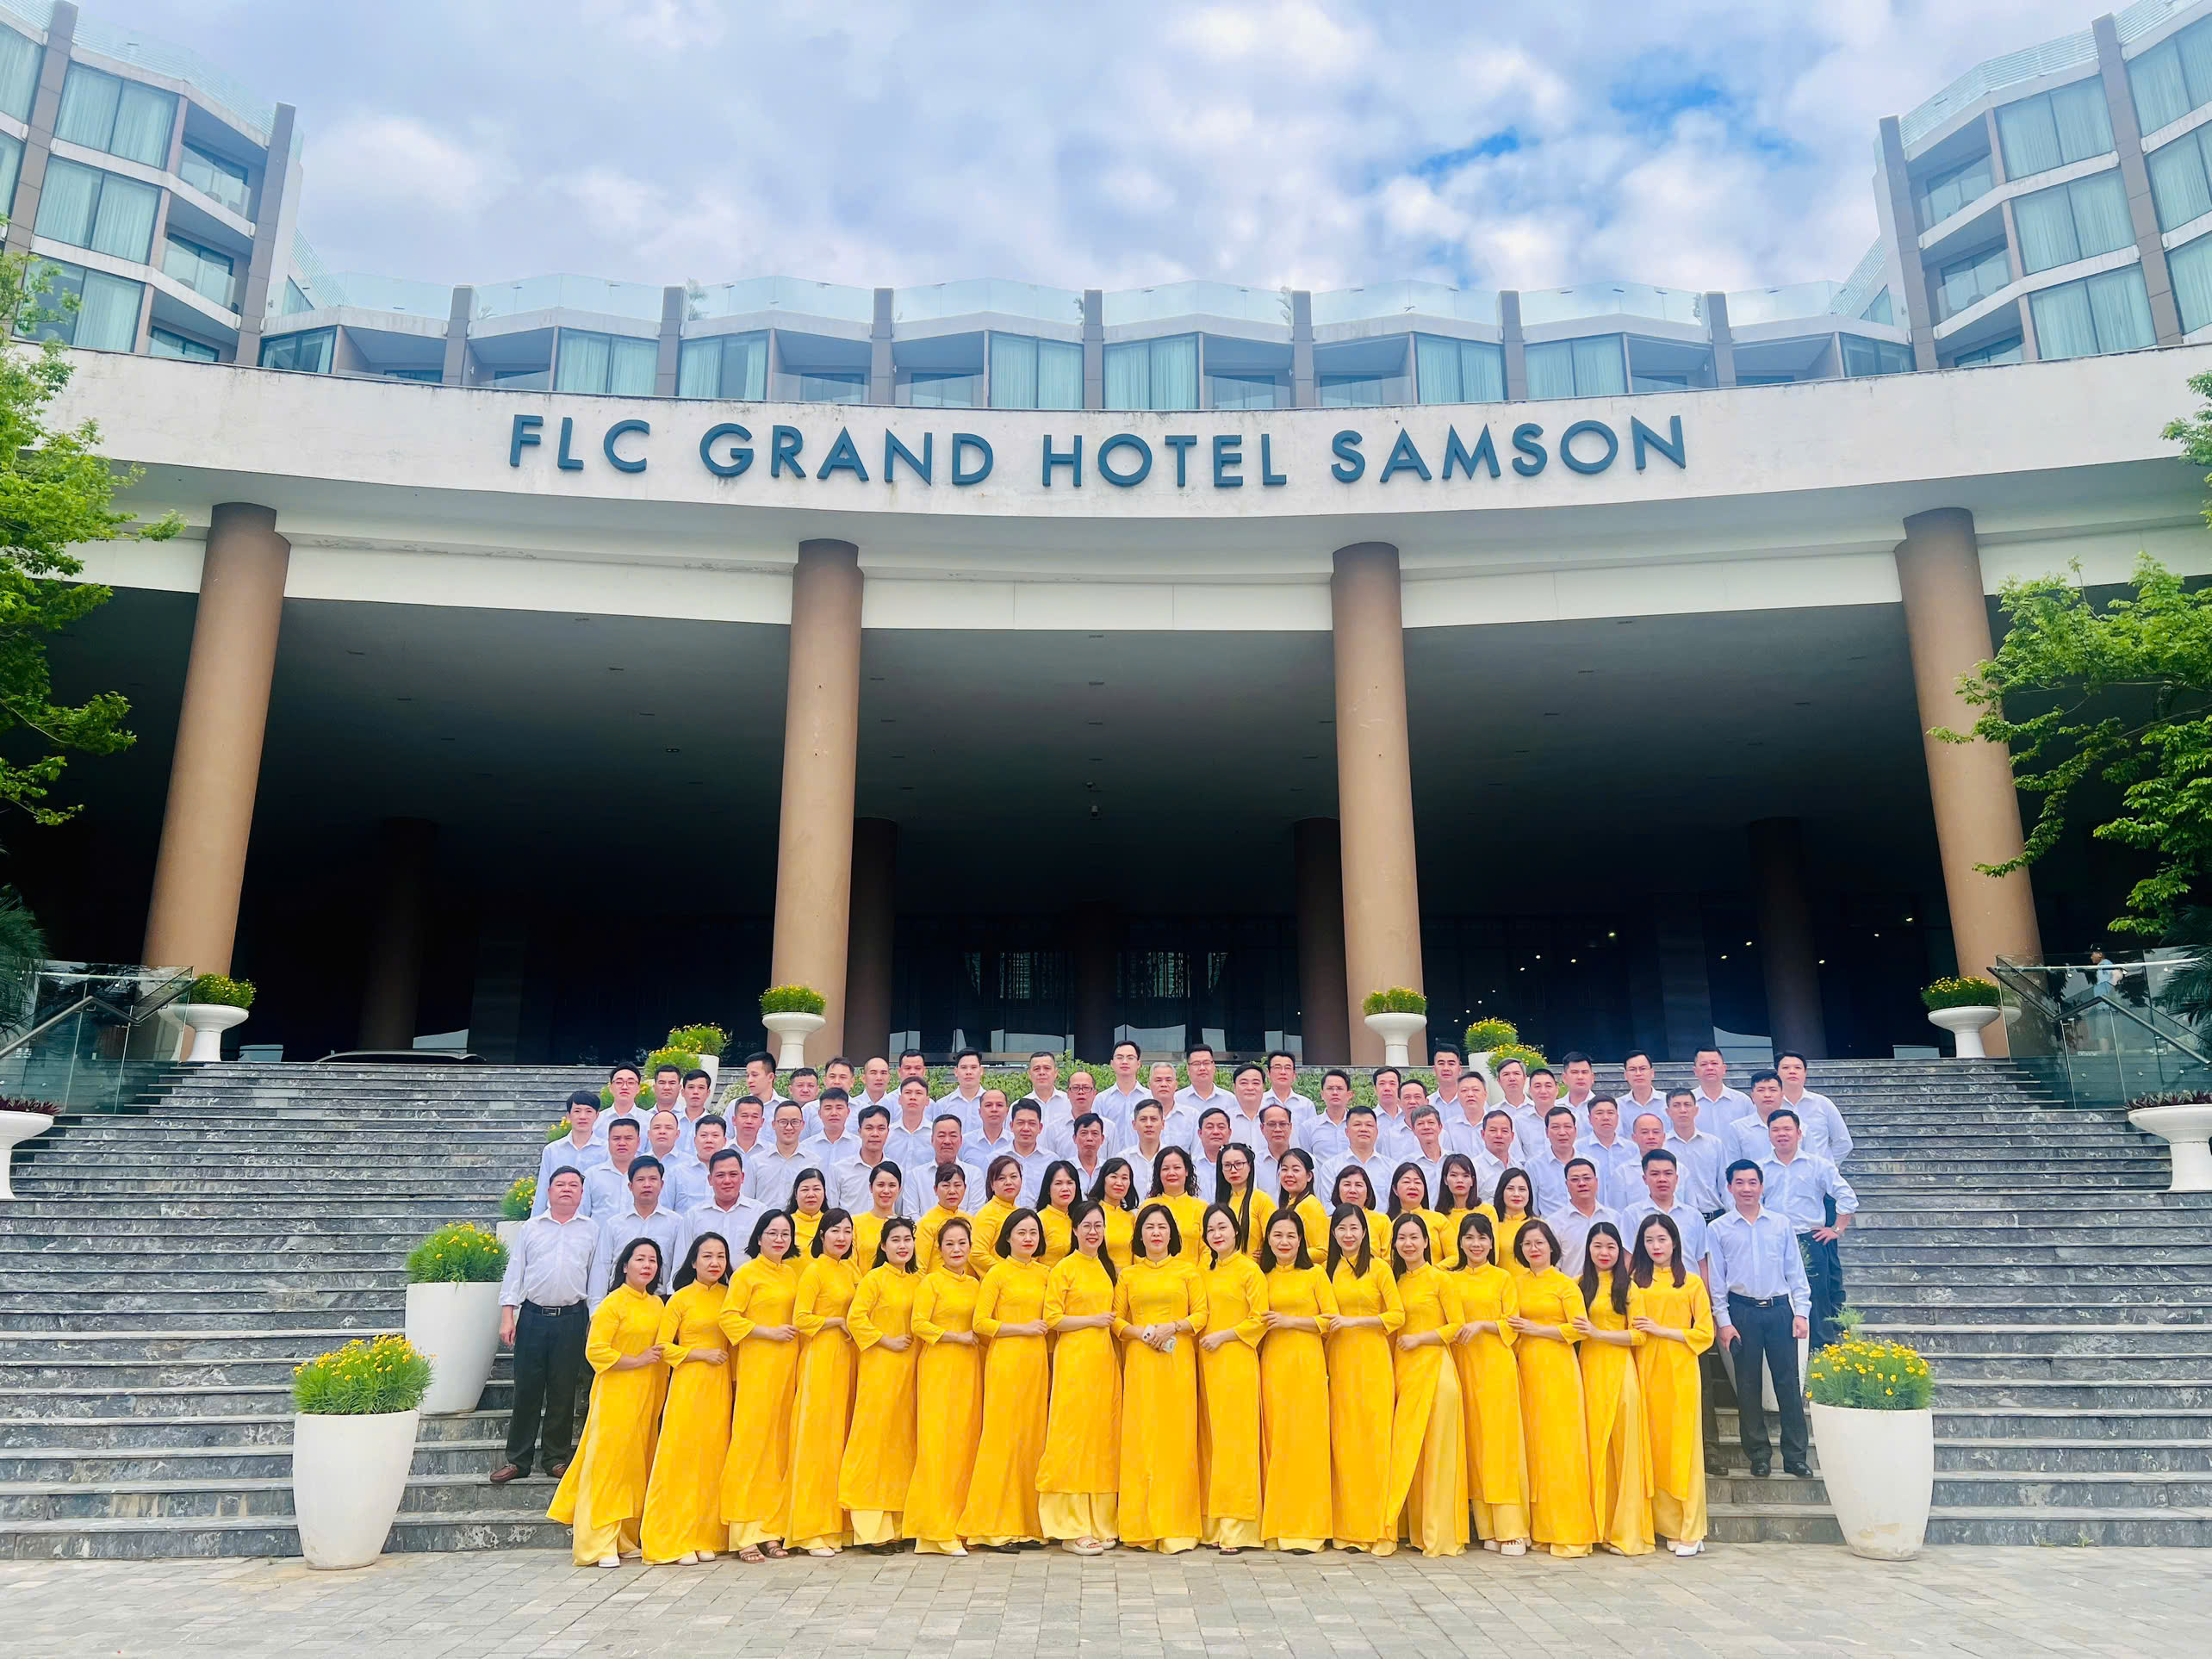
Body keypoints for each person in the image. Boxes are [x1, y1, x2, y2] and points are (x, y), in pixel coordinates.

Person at [548, 1236, 666, 1567]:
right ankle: (597, 1544)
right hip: (616, 1394)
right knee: (608, 1466)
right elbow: (596, 1351)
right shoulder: (612, 1304)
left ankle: (624, 1537)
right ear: (625, 1265)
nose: (647, 1266)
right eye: (640, 1259)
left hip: (646, 1395)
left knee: (634, 1466)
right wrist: (637, 1360)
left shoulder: (656, 1305)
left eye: (652, 1260)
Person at [1707, 1159, 1812, 1479]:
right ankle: (1758, 1455)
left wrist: (1801, 1312)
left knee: (1788, 1383)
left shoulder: (1780, 1224)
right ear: (1729, 1187)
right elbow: (1716, 1280)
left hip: (1779, 1310)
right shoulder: (1718, 1229)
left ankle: (1795, 1456)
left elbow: (1795, 1271)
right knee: (1748, 1385)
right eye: (1739, 1183)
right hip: (1742, 1312)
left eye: (1752, 1182)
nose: (1746, 1189)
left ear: (1761, 1186)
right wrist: (1724, 1321)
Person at [493, 1166, 598, 1485]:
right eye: (560, 1184)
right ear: (549, 1192)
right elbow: (515, 1272)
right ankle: (518, 1460)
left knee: (563, 1391)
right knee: (527, 1389)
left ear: (581, 1193)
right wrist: (508, 1316)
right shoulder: (531, 1228)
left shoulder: (592, 1230)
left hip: (572, 1319)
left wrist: (594, 1322)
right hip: (533, 1318)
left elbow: (596, 1278)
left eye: (573, 1185)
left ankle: (555, 1458)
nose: (567, 1189)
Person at [1113, 1202, 1208, 1553]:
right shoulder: (1128, 1275)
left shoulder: (1188, 1272)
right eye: (1149, 1227)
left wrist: (1174, 1326)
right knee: (1141, 1437)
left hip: (1178, 1358)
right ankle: (1140, 1526)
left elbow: (1201, 1315)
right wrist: (1140, 1332)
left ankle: (1177, 1525)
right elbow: (1115, 1320)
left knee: (1176, 1436)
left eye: (1162, 1227)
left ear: (1172, 1234)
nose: (1156, 1233)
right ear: (1139, 1235)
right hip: (1141, 1360)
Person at [639, 1231, 734, 1564]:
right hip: (688, 1384)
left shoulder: (730, 1297)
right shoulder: (679, 1299)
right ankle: (673, 1537)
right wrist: (700, 1354)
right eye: (707, 1256)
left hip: (720, 1386)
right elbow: (663, 1347)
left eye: (721, 1256)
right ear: (693, 1261)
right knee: (680, 1458)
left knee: (712, 1459)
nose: (714, 1262)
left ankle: (705, 1535)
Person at [959, 1209, 1052, 1548]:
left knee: (1031, 1439)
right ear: (1007, 1237)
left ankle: (1027, 1524)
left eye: (1033, 1233)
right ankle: (992, 1526)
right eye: (1021, 1233)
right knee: (1003, 1438)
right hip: (1006, 1362)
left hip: (1036, 1363)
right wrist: (1021, 1328)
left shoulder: (1046, 1274)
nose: (1028, 1239)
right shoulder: (997, 1274)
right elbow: (981, 1323)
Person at [1507, 1219, 1597, 1557]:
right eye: (1527, 1244)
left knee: (1561, 1446)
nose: (1534, 1249)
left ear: (1551, 1247)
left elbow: (1578, 1329)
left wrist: (1536, 1329)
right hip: (1526, 1367)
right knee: (1534, 1447)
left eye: (1539, 1243)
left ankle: (1569, 1529)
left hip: (1558, 1368)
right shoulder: (1515, 1283)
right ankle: (1540, 1528)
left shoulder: (1565, 1285)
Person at [1630, 1214, 1715, 1556]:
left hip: (1680, 1369)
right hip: (1645, 1367)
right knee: (1653, 1445)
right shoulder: (1635, 1282)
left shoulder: (1691, 1283)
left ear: (1675, 1242)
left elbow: (1705, 1334)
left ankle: (1691, 1528)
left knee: (1683, 1447)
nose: (1656, 1246)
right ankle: (1665, 1526)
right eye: (1649, 1240)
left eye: (1662, 1239)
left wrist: (1661, 1330)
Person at [719, 1210, 802, 1561]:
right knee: (751, 1443)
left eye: (785, 1234)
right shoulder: (747, 1274)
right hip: (757, 1366)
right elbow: (728, 1318)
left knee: (778, 1447)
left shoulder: (792, 1274)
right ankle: (743, 1532)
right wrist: (767, 1331)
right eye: (772, 1233)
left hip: (788, 1368)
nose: (779, 1239)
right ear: (759, 1237)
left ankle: (770, 1528)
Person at [1384, 1212, 1469, 1558]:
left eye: (1414, 1237)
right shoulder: (1394, 1281)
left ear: (1426, 1242)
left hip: (1436, 1370)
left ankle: (1440, 1533)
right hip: (1404, 1371)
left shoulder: (1440, 1279)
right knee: (1411, 1453)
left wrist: (1422, 1339)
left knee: (1438, 1452)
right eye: (1401, 1238)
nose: (1408, 1244)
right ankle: (1417, 1530)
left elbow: (1457, 1326)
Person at [1039, 1201, 1121, 1555]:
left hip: (1103, 1359)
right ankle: (1070, 1527)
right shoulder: (1064, 1268)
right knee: (1071, 1435)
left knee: (1100, 1435)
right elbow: (1053, 1319)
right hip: (1074, 1358)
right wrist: (1092, 1320)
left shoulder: (1106, 1267)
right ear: (1074, 1230)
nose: (1092, 1232)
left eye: (1098, 1226)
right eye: (1086, 1225)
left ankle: (1100, 1521)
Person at [1449, 1212, 1530, 1555]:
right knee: (1475, 1446)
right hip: (1462, 1366)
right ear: (1460, 1242)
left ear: (1491, 1243)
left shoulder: (1502, 1278)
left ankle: (1511, 1527)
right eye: (1469, 1237)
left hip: (1496, 1366)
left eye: (1482, 1238)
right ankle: (1487, 1528)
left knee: (1500, 1444)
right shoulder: (1450, 1279)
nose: (1476, 1244)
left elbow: (1514, 1323)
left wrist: (1482, 1325)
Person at [1326, 1201, 1404, 1553]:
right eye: (1341, 1229)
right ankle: (1348, 1529)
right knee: (1345, 1441)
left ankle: (1379, 1529)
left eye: (1354, 1228)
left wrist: (1355, 1322)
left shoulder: (1379, 1269)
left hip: (1373, 1359)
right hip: (1339, 1359)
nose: (1348, 1234)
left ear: (1364, 1232)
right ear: (1333, 1234)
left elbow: (1397, 1315)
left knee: (1375, 1438)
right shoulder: (1329, 1270)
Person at [840, 1216, 922, 1550]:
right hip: (880, 1368)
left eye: (908, 1240)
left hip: (911, 1371)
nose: (903, 1246)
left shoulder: (920, 1281)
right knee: (873, 1441)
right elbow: (855, 1318)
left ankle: (899, 1525)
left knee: (902, 1443)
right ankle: (870, 1529)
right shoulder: (873, 1279)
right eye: (896, 1240)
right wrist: (885, 1340)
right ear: (883, 1246)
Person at [1257, 1211, 1335, 1553]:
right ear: (1268, 1240)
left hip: (1307, 1363)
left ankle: (1309, 1530)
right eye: (1277, 1235)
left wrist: (1290, 1321)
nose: (1284, 1242)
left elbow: (1330, 1320)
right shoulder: (1262, 1276)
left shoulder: (1315, 1274)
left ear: (1301, 1240)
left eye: (1291, 1235)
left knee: (1307, 1440)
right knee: (1278, 1440)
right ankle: (1278, 1527)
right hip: (1274, 1363)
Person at [1574, 1221, 1653, 1556]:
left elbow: (1639, 1335)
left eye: (1611, 1247)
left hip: (1621, 1371)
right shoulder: (1579, 1286)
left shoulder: (1629, 1287)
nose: (1604, 1253)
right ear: (1588, 1250)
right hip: (1589, 1372)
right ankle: (1598, 1527)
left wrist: (1598, 1334)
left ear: (1620, 1252)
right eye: (1598, 1246)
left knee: (1625, 1447)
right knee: (1595, 1447)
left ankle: (1626, 1531)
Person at [906, 1217, 985, 1556]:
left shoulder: (976, 1285)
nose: (956, 1249)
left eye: (962, 1243)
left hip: (969, 1369)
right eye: (949, 1244)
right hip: (939, 1366)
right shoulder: (932, 1282)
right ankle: (935, 1529)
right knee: (938, 1444)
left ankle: (960, 1523)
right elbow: (919, 1324)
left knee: (964, 1443)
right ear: (939, 1249)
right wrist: (955, 1337)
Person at [786, 1209, 860, 1556]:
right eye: (835, 1231)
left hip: (847, 1358)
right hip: (821, 1357)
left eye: (847, 1231)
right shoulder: (814, 1271)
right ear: (821, 1235)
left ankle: (837, 1525)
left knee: (839, 1439)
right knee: (817, 1439)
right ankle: (810, 1530)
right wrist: (835, 1321)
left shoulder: (851, 1270)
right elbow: (801, 1318)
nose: (841, 1237)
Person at [1196, 1203, 1266, 1553]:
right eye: (1211, 1230)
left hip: (1237, 1360)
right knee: (1212, 1442)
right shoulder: (1202, 1272)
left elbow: (1260, 1318)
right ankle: (1213, 1525)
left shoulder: (1250, 1270)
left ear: (1236, 1231)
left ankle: (1239, 1528)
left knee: (1236, 1442)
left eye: (1223, 1227)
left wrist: (1224, 1336)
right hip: (1206, 1363)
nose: (1217, 1234)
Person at [1759, 1109, 1859, 1349]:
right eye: (1776, 1130)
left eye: (1787, 1129)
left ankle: (1821, 1351)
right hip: (1773, 1241)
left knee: (1817, 1296)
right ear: (1769, 1135)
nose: (1782, 1134)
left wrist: (1836, 1229)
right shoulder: (1760, 1168)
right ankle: (1786, 1350)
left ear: (1799, 1133)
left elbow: (1847, 1196)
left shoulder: (1818, 1165)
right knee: (1778, 1296)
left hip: (1809, 1240)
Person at [587, 1157, 684, 1309]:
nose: (647, 1185)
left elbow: (678, 1267)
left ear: (662, 1184)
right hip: (618, 1303)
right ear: (630, 1186)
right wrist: (596, 1309)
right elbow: (601, 1268)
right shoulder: (614, 1224)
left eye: (653, 1179)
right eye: (640, 1180)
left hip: (659, 1304)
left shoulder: (676, 1223)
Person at [1774, 1053, 1854, 1164]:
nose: (1792, 1071)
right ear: (1777, 1073)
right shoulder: (1770, 1105)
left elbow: (1844, 1142)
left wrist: (1826, 1167)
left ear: (1805, 1073)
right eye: (1786, 1068)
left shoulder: (1823, 1104)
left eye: (1797, 1068)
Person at [535, 1094, 607, 1215]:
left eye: (589, 1111)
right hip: (557, 1217)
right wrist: (535, 1220)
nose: (583, 1116)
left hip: (593, 1217)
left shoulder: (607, 1150)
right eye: (577, 1111)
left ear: (597, 1116)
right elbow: (543, 1188)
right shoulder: (552, 1150)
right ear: (568, 1116)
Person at [1663, 1088, 1729, 1218]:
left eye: (1687, 1105)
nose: (1683, 1110)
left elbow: (1725, 1183)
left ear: (1696, 1110)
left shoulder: (1714, 1144)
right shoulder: (1663, 1146)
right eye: (1676, 1105)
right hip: (1676, 1217)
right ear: (1668, 1112)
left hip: (1714, 1215)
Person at [1550, 1159, 1621, 1277]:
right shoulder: (1554, 1222)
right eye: (1575, 1179)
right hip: (1572, 1287)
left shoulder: (1614, 1218)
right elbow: (1554, 1266)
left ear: (1596, 1182)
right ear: (1566, 1185)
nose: (1582, 1183)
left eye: (1587, 1178)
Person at [835, 1105, 905, 1215]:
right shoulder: (840, 1169)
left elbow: (900, 1211)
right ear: (859, 1131)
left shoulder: (898, 1171)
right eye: (869, 1128)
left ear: (888, 1132)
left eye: (881, 1129)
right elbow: (833, 1211)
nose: (875, 1134)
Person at [1578, 1097, 1642, 1213]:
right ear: (1590, 1119)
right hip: (1592, 1211)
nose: (1606, 1117)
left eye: (1610, 1113)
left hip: (1625, 1210)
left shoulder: (1632, 1149)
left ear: (1617, 1117)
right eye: (1599, 1113)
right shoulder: (1579, 1148)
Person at [1213, 1141, 1275, 1259]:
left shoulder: (1261, 1199)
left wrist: (1267, 1254)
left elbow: (1274, 1236)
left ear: (1250, 1166)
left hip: (1253, 1267)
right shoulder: (1221, 1202)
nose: (1233, 1170)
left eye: (1239, 1164)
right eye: (1227, 1165)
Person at [749, 1101, 814, 1212]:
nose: (789, 1127)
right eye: (783, 1122)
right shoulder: (756, 1161)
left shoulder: (813, 1163)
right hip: (764, 1221)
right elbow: (748, 1200)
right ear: (774, 1125)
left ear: (803, 1125)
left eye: (795, 1122)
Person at [1150, 1145, 1207, 1257]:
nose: (1171, 1173)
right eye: (1165, 1169)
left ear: (1186, 1171)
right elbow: (1138, 1247)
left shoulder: (1202, 1208)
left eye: (1177, 1168)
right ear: (1159, 1173)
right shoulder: (1148, 1206)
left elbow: (1208, 1249)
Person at [1528, 1106, 1584, 1218]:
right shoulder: (1534, 1166)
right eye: (1555, 1127)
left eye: (1567, 1127)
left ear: (1575, 1131)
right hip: (1549, 1227)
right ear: (1547, 1132)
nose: (1562, 1133)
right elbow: (1532, 1209)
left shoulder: (1591, 1164)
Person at [1275, 1147, 1329, 1261]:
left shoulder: (1310, 1205)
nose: (1289, 1174)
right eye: (1284, 1169)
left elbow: (1323, 1251)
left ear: (1309, 1176)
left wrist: (1290, 1254)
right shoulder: (1289, 1204)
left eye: (1295, 1170)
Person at [582, 1118, 643, 1220]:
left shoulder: (648, 1176)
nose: (622, 1143)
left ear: (638, 1142)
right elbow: (582, 1214)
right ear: (608, 1141)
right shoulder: (592, 1175)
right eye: (616, 1138)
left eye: (628, 1138)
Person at [916, 1163, 972, 1271]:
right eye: (946, 1186)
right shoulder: (926, 1223)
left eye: (957, 1185)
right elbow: (919, 1268)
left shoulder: (971, 1221)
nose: (952, 1191)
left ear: (965, 1188)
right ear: (935, 1189)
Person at [850, 1161, 907, 1267]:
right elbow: (850, 1264)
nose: (886, 1191)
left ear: (899, 1189)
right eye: (880, 1185)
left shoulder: (905, 1226)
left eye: (892, 1185)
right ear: (871, 1188)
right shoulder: (855, 1223)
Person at [971, 1153, 1026, 1261]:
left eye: (1013, 1177)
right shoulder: (987, 1213)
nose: (1008, 1182)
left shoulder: (1021, 1213)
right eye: (1001, 1178)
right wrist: (1003, 1269)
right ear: (992, 1185)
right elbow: (976, 1254)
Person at [1689, 1047, 1751, 1140]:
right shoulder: (1686, 1103)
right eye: (1704, 1064)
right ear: (1695, 1071)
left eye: (1714, 1063)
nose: (1709, 1068)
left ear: (1724, 1068)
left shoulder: (1742, 1101)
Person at [1089, 1156, 1139, 1269]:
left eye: (1124, 1178)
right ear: (1103, 1180)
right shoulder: (1091, 1213)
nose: (1119, 1183)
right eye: (1114, 1177)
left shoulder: (1132, 1217)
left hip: (1127, 1277)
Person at [1435, 1153, 1483, 1267]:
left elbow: (1492, 1254)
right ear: (1445, 1180)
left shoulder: (1486, 1211)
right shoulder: (1439, 1216)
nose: (1460, 1180)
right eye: (1454, 1175)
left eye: (1465, 1176)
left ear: (1472, 1181)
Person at [1298, 1068, 1355, 1162]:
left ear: (1349, 1095)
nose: (1335, 1093)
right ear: (1322, 1094)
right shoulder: (1308, 1127)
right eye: (1330, 1088)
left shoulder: (1359, 1125)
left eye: (1340, 1089)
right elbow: (1305, 1162)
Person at [885, 1077, 939, 1172]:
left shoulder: (936, 1134)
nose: (913, 1097)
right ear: (899, 1100)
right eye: (908, 1093)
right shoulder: (887, 1134)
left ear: (927, 1101)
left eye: (919, 1093)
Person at [1006, 1100, 1054, 1204]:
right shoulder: (996, 1158)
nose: (1026, 1128)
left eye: (1032, 1124)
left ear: (1040, 1128)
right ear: (1011, 1126)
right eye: (1020, 1123)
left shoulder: (1052, 1161)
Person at [1488, 1168, 1537, 1270]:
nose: (1516, 1194)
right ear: (1501, 1191)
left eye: (1522, 1189)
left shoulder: (1539, 1226)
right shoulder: (1490, 1223)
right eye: (1510, 1189)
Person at [1036, 1159, 1083, 1265]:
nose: (1065, 1189)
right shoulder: (1039, 1220)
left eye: (1070, 1183)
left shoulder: (1081, 1219)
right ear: (1048, 1189)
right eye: (1058, 1183)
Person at [1097, 1039, 1151, 1128]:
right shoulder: (1101, 1099)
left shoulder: (1150, 1097)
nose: (1124, 1062)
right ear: (1112, 1064)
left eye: (1130, 1058)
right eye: (1119, 1057)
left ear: (1138, 1064)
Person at [592, 1064, 648, 1146]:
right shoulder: (596, 1121)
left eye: (630, 1082)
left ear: (638, 1088)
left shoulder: (649, 1121)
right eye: (619, 1082)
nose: (624, 1087)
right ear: (611, 1088)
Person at [786, 1169, 831, 1257]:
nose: (811, 1195)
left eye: (816, 1189)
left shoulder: (833, 1223)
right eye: (805, 1190)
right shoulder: (784, 1223)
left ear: (824, 1192)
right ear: (795, 1194)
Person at [1253, 1102, 1296, 1196]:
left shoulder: (1306, 1160)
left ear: (1290, 1127)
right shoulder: (1254, 1163)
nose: (1278, 1129)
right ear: (1262, 1128)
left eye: (1283, 1124)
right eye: (1272, 1124)